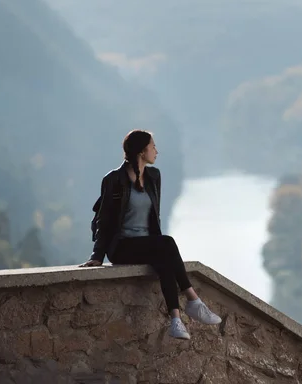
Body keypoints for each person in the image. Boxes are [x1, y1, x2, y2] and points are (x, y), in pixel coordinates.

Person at [79, 129, 221, 340]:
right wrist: (97, 255)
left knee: (164, 260)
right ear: (141, 151)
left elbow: (154, 216)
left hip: (147, 243)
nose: (157, 151)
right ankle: (193, 301)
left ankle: (175, 320)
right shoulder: (114, 180)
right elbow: (104, 219)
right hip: (122, 246)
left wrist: (155, 243)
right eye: (153, 146)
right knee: (167, 243)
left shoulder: (154, 176)